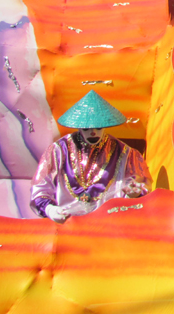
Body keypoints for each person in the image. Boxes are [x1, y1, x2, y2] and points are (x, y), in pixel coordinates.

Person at [30, 90, 151, 223]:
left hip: (108, 228)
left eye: (98, 128)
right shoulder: (58, 151)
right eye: (87, 128)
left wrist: (134, 194)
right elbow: (40, 188)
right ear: (79, 127)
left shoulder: (126, 154)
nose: (93, 133)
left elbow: (141, 189)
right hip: (66, 227)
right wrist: (50, 209)